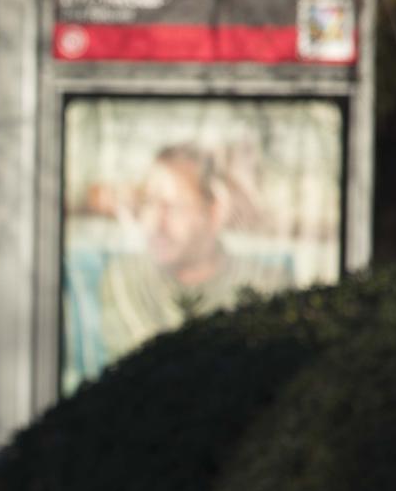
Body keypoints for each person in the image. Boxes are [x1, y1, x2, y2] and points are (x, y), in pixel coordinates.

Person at [96, 143, 289, 360]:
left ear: (216, 211)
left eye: (173, 206)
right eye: (149, 203)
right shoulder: (124, 279)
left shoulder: (268, 284)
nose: (155, 223)